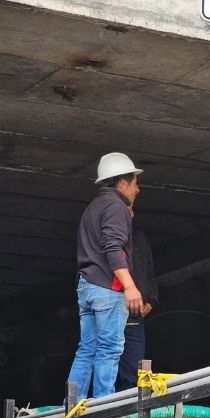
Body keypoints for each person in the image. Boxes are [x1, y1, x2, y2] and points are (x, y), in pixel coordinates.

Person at [66, 152, 143, 400]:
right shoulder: (115, 206)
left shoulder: (94, 207)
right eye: (135, 182)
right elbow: (112, 247)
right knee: (110, 349)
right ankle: (104, 411)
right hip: (107, 289)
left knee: (87, 349)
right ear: (122, 182)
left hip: (87, 286)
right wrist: (130, 286)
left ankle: (72, 407)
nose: (137, 190)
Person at [115, 208, 159, 392]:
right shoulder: (109, 237)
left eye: (131, 209)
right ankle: (104, 409)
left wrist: (152, 299)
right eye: (126, 208)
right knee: (107, 362)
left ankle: (129, 413)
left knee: (135, 368)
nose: (130, 211)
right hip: (112, 309)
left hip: (136, 315)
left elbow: (150, 271)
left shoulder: (140, 238)